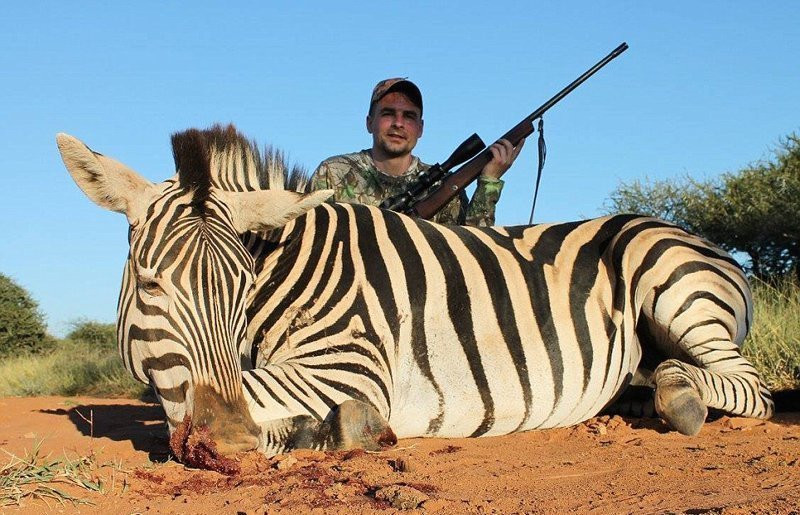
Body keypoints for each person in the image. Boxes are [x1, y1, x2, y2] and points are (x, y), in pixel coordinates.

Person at [310, 78, 525, 226]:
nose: (398, 124)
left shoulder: (445, 187)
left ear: (420, 128)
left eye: (409, 116)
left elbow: (472, 254)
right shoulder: (333, 173)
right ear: (369, 123)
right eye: (388, 113)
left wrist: (489, 183)